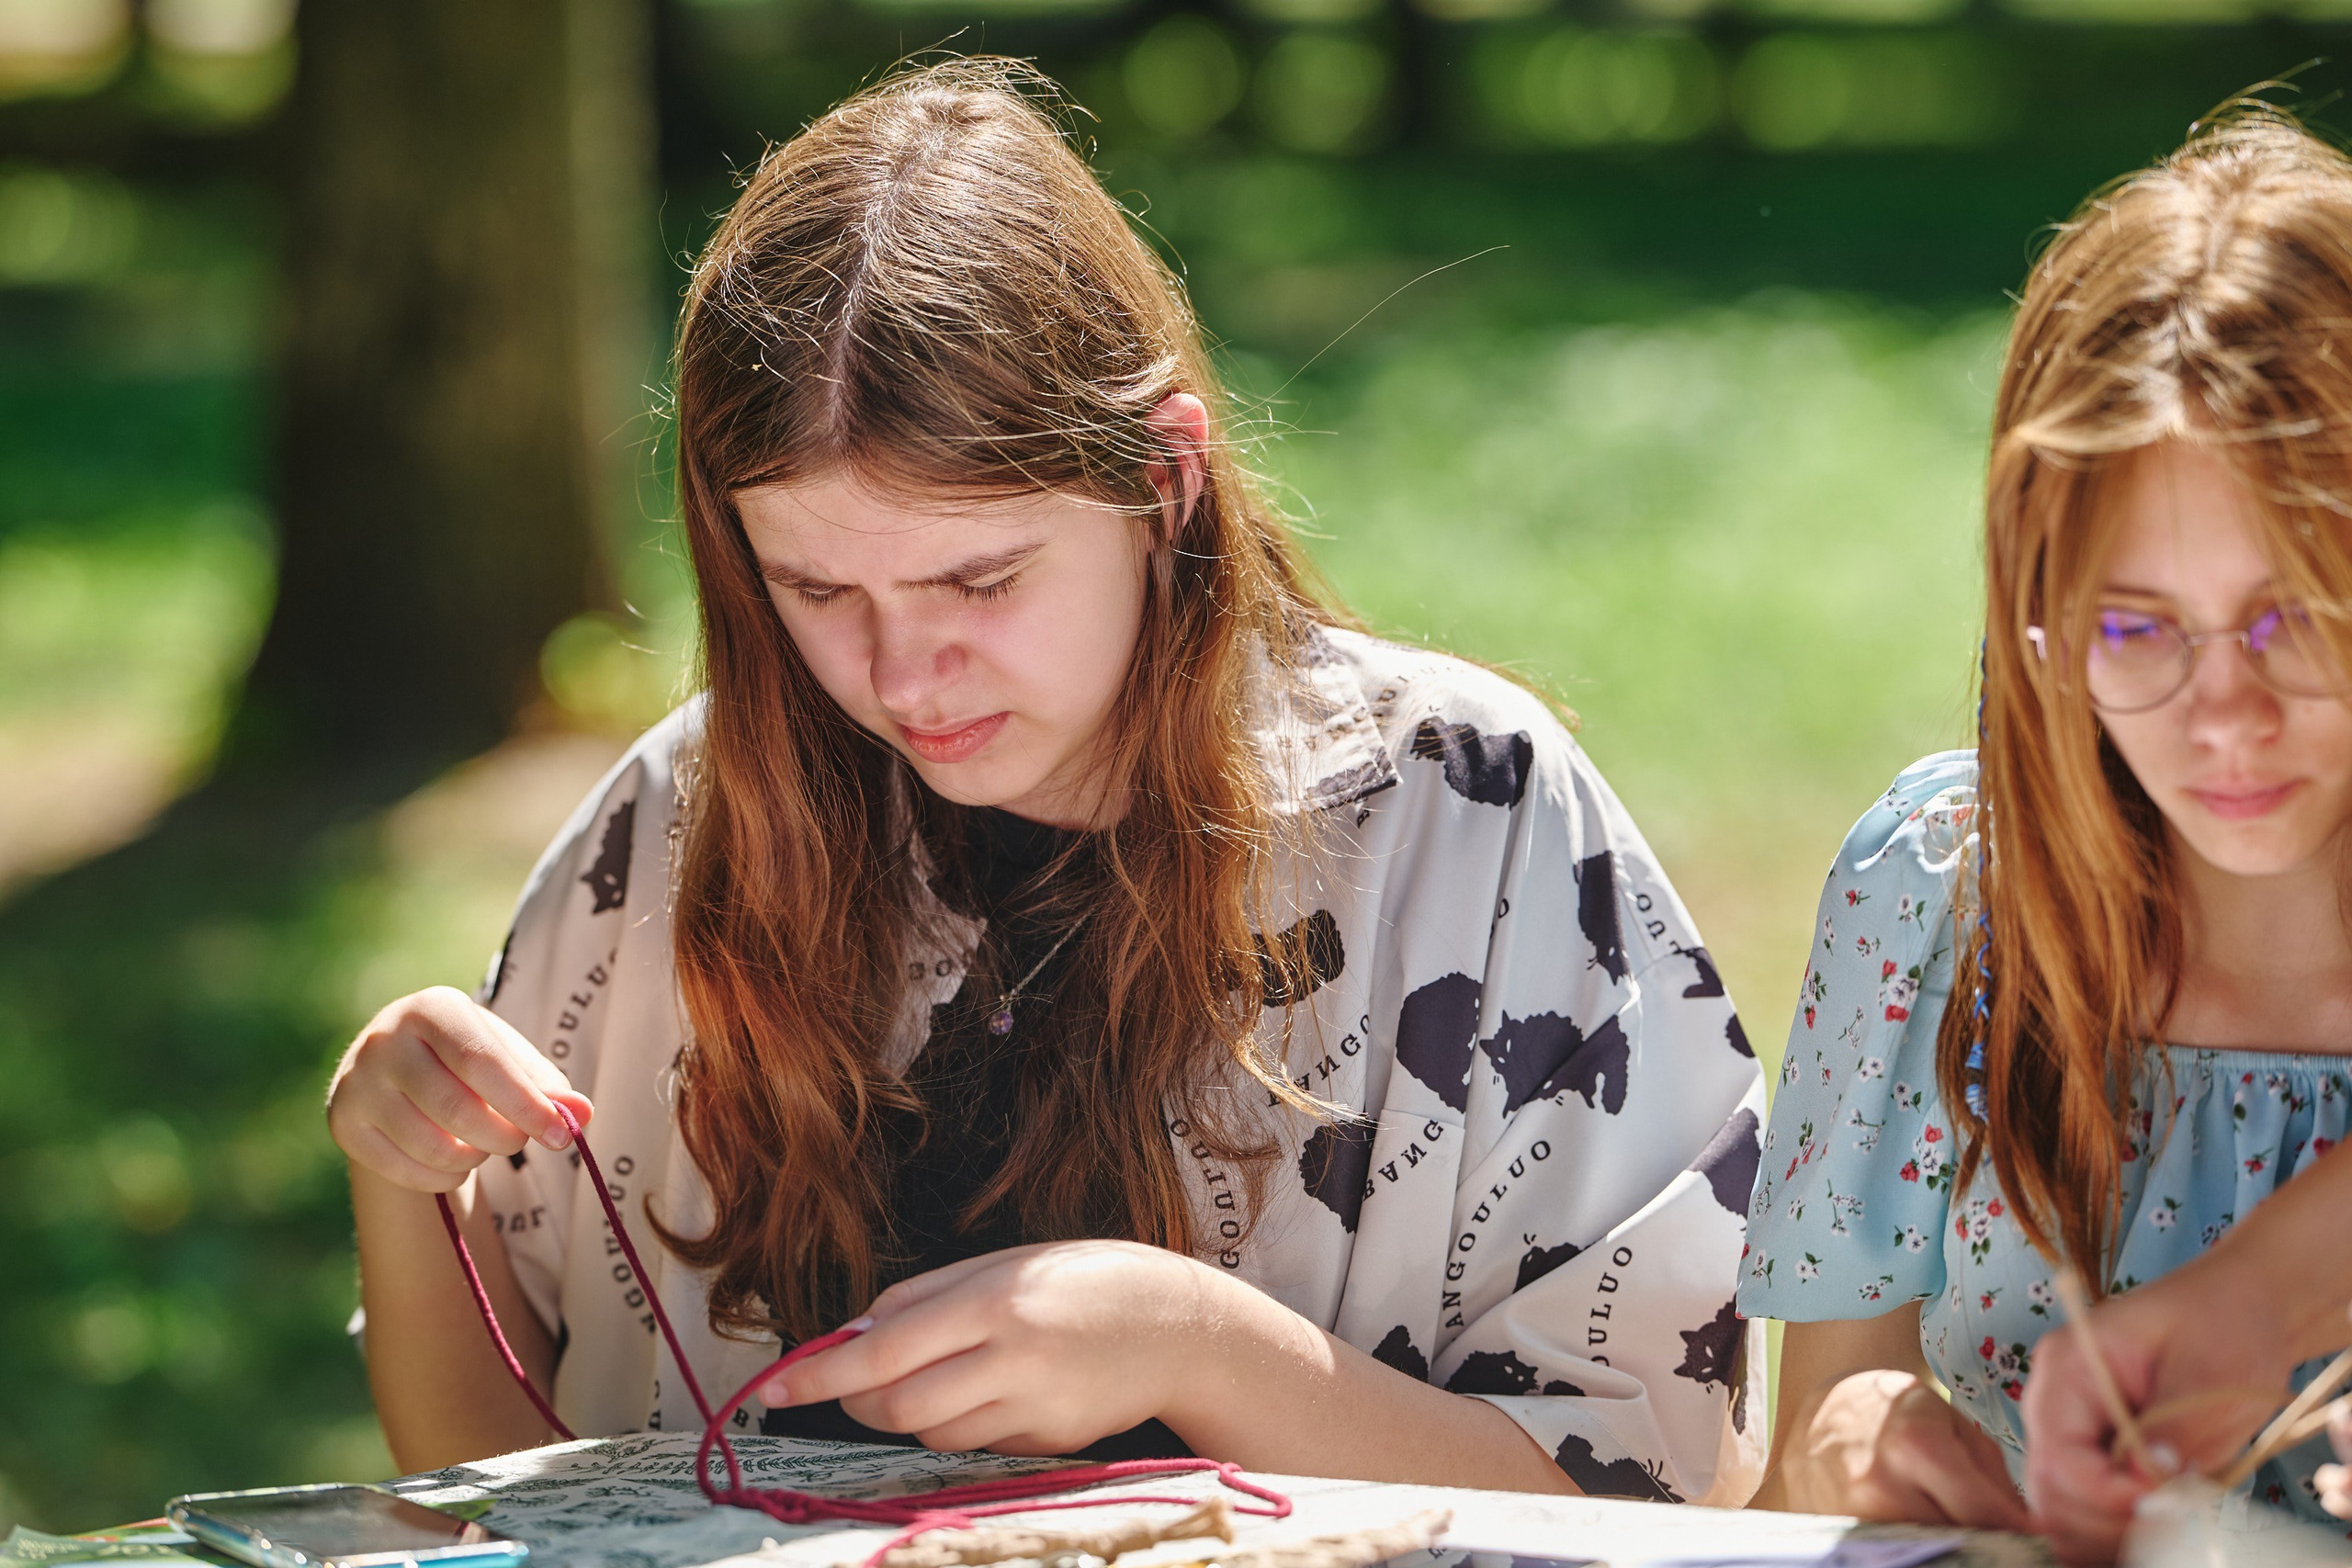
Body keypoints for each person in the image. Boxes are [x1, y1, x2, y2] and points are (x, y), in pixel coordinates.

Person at [323, 60, 1765, 1503]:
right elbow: (489, 1472)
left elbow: (1654, 1492)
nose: (904, 676)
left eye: (981, 579)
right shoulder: (690, 820)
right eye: (816, 590)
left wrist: (1198, 1350)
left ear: (1164, 480)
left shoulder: (1465, 817)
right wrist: (406, 1172)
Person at [1737, 109, 2352, 1562]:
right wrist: (1854, 1439)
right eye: (2134, 630)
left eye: (2301, 613)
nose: (2226, 718)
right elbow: (1803, 1450)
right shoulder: (1939, 895)